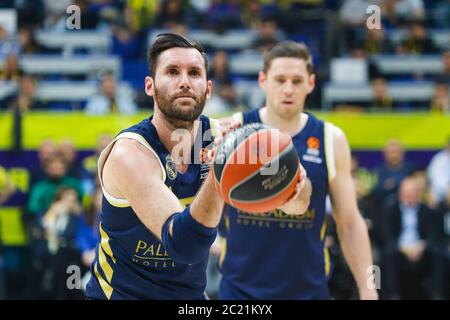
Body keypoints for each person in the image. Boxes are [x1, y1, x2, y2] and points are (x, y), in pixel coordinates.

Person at [84, 33, 309, 300]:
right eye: (172, 72)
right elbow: (184, 246)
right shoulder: (130, 154)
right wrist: (219, 174)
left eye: (194, 73)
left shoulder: (226, 136)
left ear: (208, 88)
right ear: (150, 86)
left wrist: (291, 181)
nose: (184, 82)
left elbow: (300, 204)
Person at [218, 41, 378, 300]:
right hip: (239, 293)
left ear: (311, 83)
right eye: (279, 80)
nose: (288, 89)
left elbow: (349, 222)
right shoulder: (234, 130)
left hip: (308, 291)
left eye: (296, 80)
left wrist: (368, 289)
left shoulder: (330, 138)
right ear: (262, 80)